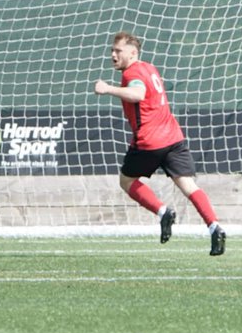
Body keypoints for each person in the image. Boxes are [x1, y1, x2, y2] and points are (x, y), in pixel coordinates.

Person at [94, 31, 226, 256]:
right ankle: (215, 226)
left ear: (133, 53)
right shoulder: (149, 67)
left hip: (150, 141)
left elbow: (137, 93)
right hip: (173, 136)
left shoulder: (132, 73)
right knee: (188, 185)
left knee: (126, 180)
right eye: (112, 50)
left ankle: (163, 211)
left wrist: (107, 89)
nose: (113, 55)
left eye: (119, 51)